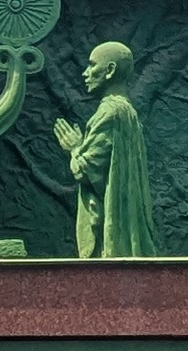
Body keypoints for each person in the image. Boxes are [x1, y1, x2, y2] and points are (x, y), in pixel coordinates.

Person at [53, 39, 157, 258]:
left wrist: (74, 148)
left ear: (109, 70)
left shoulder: (109, 113)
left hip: (111, 235)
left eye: (92, 65)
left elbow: (84, 170)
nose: (85, 73)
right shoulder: (128, 112)